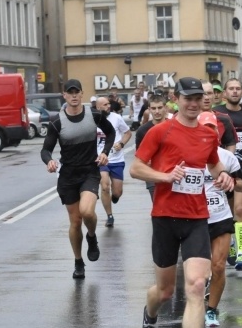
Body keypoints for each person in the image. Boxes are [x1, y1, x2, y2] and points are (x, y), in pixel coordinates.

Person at [130, 76, 235, 328]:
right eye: (188, 98)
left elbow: (214, 164)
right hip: (165, 217)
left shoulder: (207, 135)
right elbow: (136, 168)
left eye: (198, 98)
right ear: (176, 100)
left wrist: (223, 176)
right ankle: (150, 315)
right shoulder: (159, 131)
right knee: (164, 291)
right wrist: (165, 177)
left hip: (197, 218)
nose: (193, 103)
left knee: (197, 284)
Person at [40, 79, 116, 279]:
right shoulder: (57, 122)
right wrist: (49, 161)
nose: (74, 96)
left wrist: (105, 152)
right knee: (75, 221)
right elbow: (46, 149)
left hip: (89, 171)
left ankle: (91, 236)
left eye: (77, 92)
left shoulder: (94, 115)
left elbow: (110, 133)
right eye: (70, 92)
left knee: (87, 211)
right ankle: (78, 261)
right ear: (64, 95)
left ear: (82, 94)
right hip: (68, 175)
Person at [197, 111, 242, 328]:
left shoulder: (226, 157)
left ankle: (211, 310)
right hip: (195, 219)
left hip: (220, 216)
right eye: (205, 129)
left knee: (218, 266)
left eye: (213, 129)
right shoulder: (186, 155)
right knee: (200, 271)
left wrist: (230, 183)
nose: (209, 133)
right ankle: (197, 302)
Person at [214, 78, 242, 271]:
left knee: (240, 209)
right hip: (222, 168)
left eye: (238, 88)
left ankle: (241, 254)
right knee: (228, 211)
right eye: (231, 88)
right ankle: (231, 244)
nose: (234, 91)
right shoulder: (217, 113)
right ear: (224, 93)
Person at [95, 96, 131, 227]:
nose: (108, 106)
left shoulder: (116, 118)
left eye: (108, 104)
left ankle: (115, 197)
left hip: (117, 159)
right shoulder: (94, 119)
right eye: (105, 105)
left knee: (117, 192)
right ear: (98, 107)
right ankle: (109, 216)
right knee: (105, 186)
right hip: (101, 160)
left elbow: (128, 133)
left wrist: (121, 144)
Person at [134, 93, 169, 201]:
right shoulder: (142, 130)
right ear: (149, 109)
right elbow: (139, 156)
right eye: (153, 108)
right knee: (157, 203)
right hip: (152, 173)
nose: (157, 111)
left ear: (165, 108)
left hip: (171, 171)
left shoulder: (174, 126)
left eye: (160, 107)